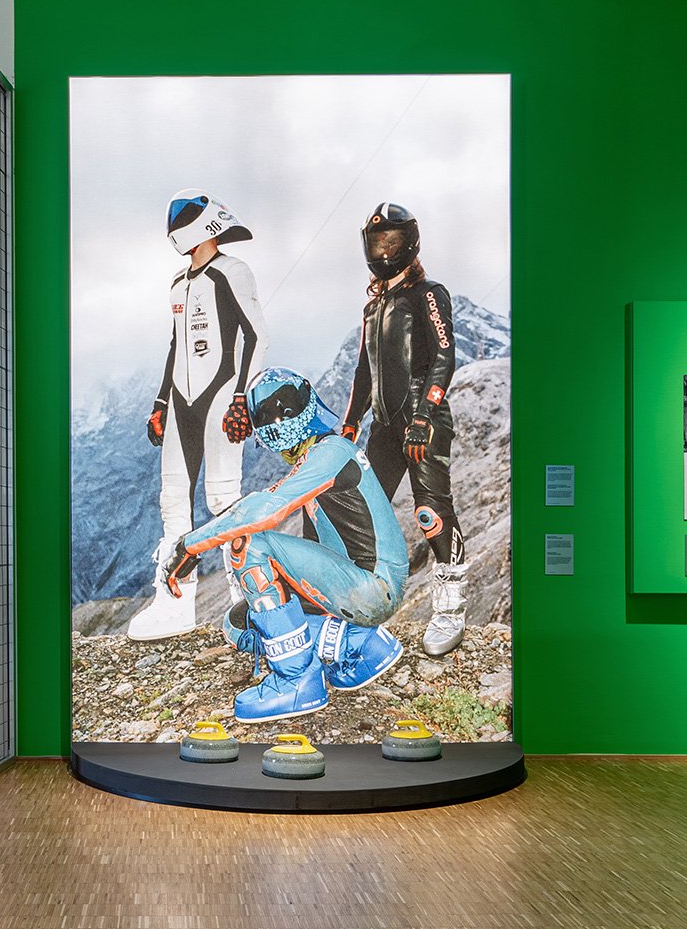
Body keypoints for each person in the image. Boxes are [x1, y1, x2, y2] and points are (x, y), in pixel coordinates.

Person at [157, 367, 409, 723]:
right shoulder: (325, 454)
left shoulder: (331, 453)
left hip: (372, 588)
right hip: (356, 584)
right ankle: (359, 645)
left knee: (248, 543)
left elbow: (264, 510)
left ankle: (296, 682)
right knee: (240, 623)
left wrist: (190, 545)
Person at [121, 190, 267, 642]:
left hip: (222, 396)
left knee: (224, 499)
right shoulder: (177, 283)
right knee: (172, 503)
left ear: (206, 224)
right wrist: (160, 402)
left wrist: (243, 397)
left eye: (182, 220)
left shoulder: (233, 271)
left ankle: (249, 599)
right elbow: (175, 346)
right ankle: (175, 603)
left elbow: (257, 336)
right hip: (181, 402)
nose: (174, 229)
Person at [338, 202, 470, 657]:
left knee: (431, 512)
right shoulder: (372, 305)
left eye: (392, 241)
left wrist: (424, 415)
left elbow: (444, 356)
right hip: (382, 427)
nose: (384, 249)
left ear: (410, 243)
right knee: (363, 508)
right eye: (377, 241)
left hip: (423, 422)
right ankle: (358, 606)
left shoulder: (428, 293)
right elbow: (363, 370)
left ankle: (450, 609)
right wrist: (350, 423)